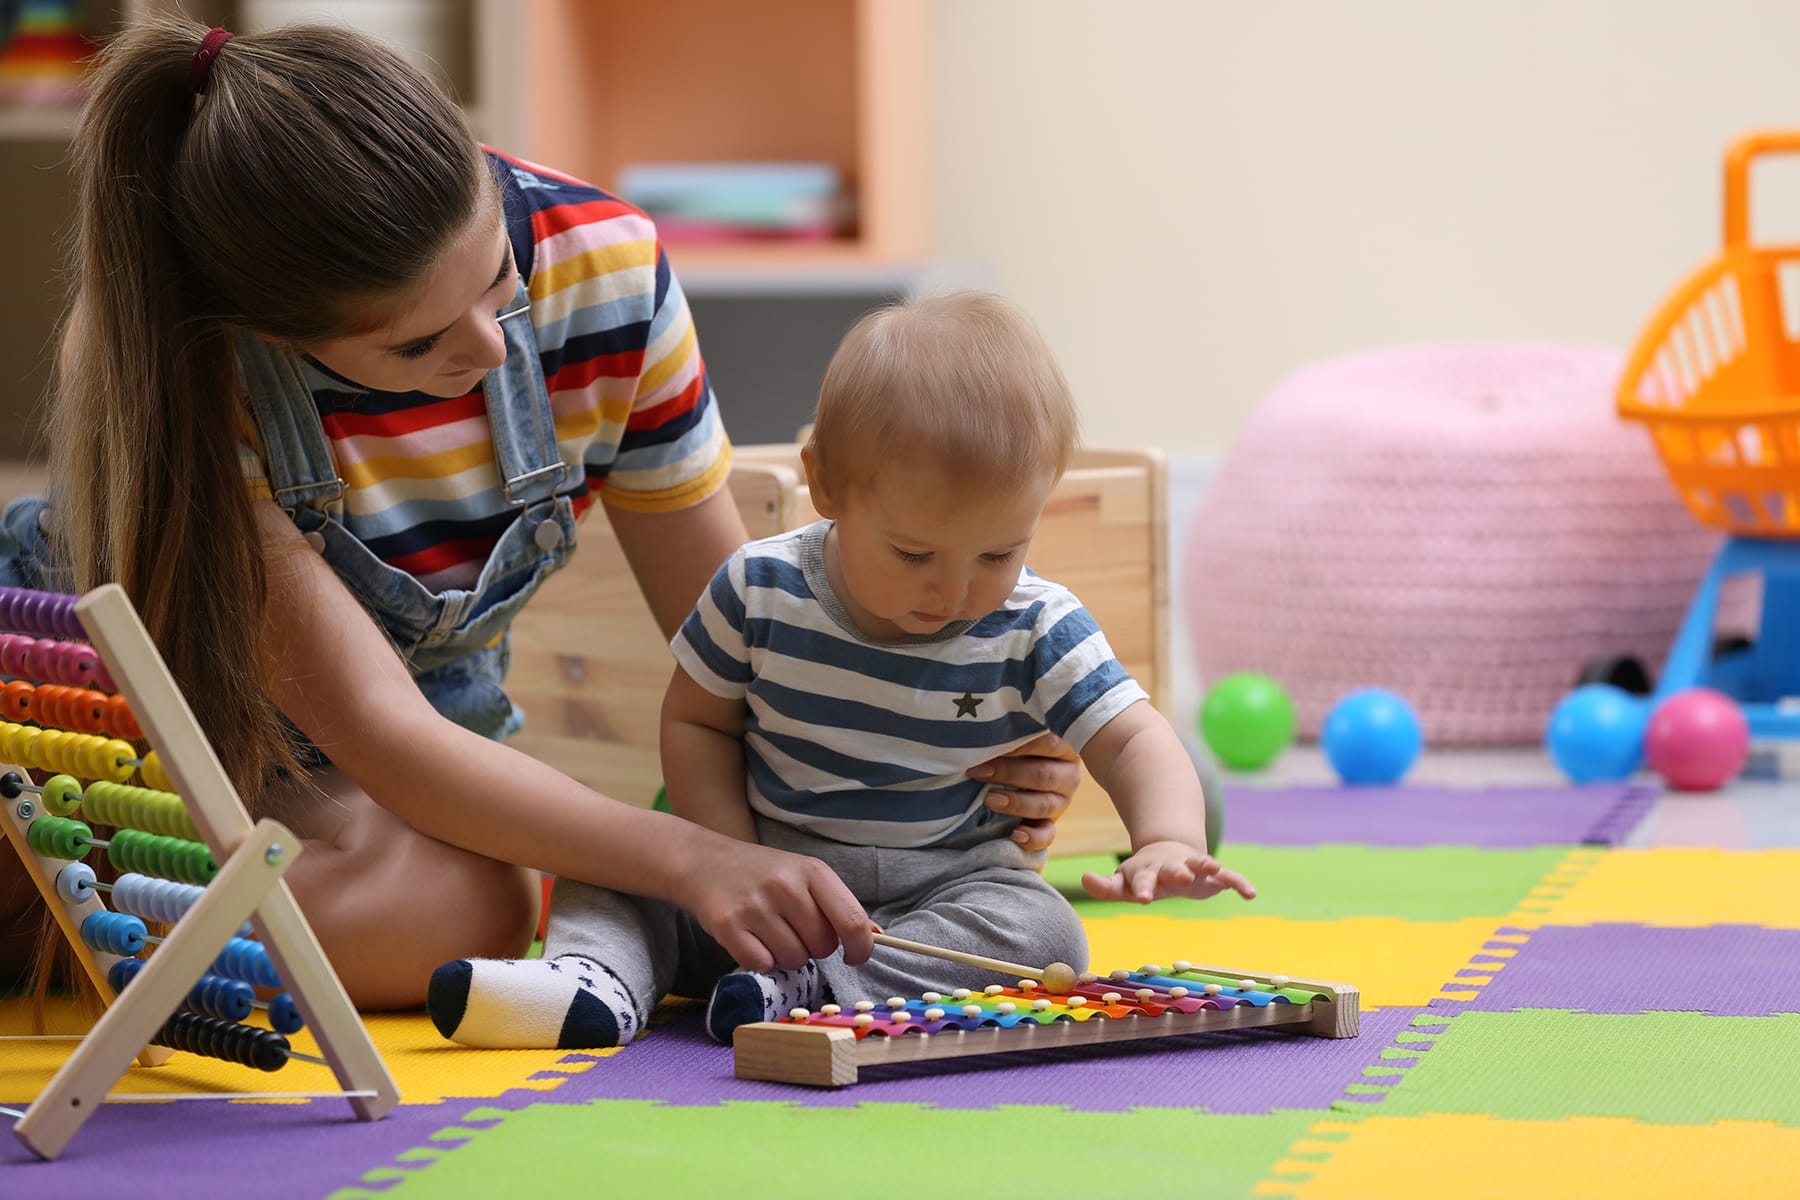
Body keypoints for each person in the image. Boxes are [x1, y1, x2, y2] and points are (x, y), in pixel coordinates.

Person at [0, 20, 1085, 1008]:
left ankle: (72, 919)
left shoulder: (607, 270)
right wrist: (690, 857)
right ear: (276, 330)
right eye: (416, 345)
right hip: (130, 722)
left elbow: (754, 638)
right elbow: (379, 732)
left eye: (497, 280)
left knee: (475, 908)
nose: (482, 349)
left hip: (381, 761)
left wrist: (948, 740)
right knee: (512, 885)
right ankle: (65, 899)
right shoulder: (185, 358)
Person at [426, 290, 1253, 1051]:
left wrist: (1168, 839)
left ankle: (816, 988)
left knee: (1046, 935)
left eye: (1000, 552)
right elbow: (697, 722)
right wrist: (730, 860)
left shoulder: (1037, 621)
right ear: (823, 483)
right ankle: (592, 982)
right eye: (914, 552)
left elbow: (1133, 736)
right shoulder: (759, 588)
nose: (956, 590)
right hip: (762, 869)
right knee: (608, 865)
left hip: (941, 892)